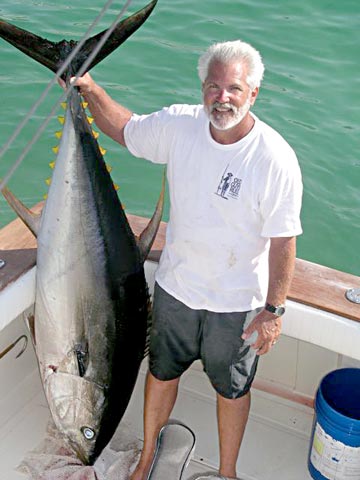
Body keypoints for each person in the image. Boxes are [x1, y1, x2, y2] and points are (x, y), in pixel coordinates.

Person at [70, 40, 303, 480]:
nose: (222, 98)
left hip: (236, 304)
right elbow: (125, 129)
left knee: (232, 390)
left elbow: (283, 240)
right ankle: (144, 461)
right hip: (176, 288)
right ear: (202, 88)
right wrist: (87, 86)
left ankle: (227, 472)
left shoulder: (274, 158)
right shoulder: (181, 125)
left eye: (233, 88)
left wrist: (273, 310)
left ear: (253, 93)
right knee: (160, 373)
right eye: (213, 87)